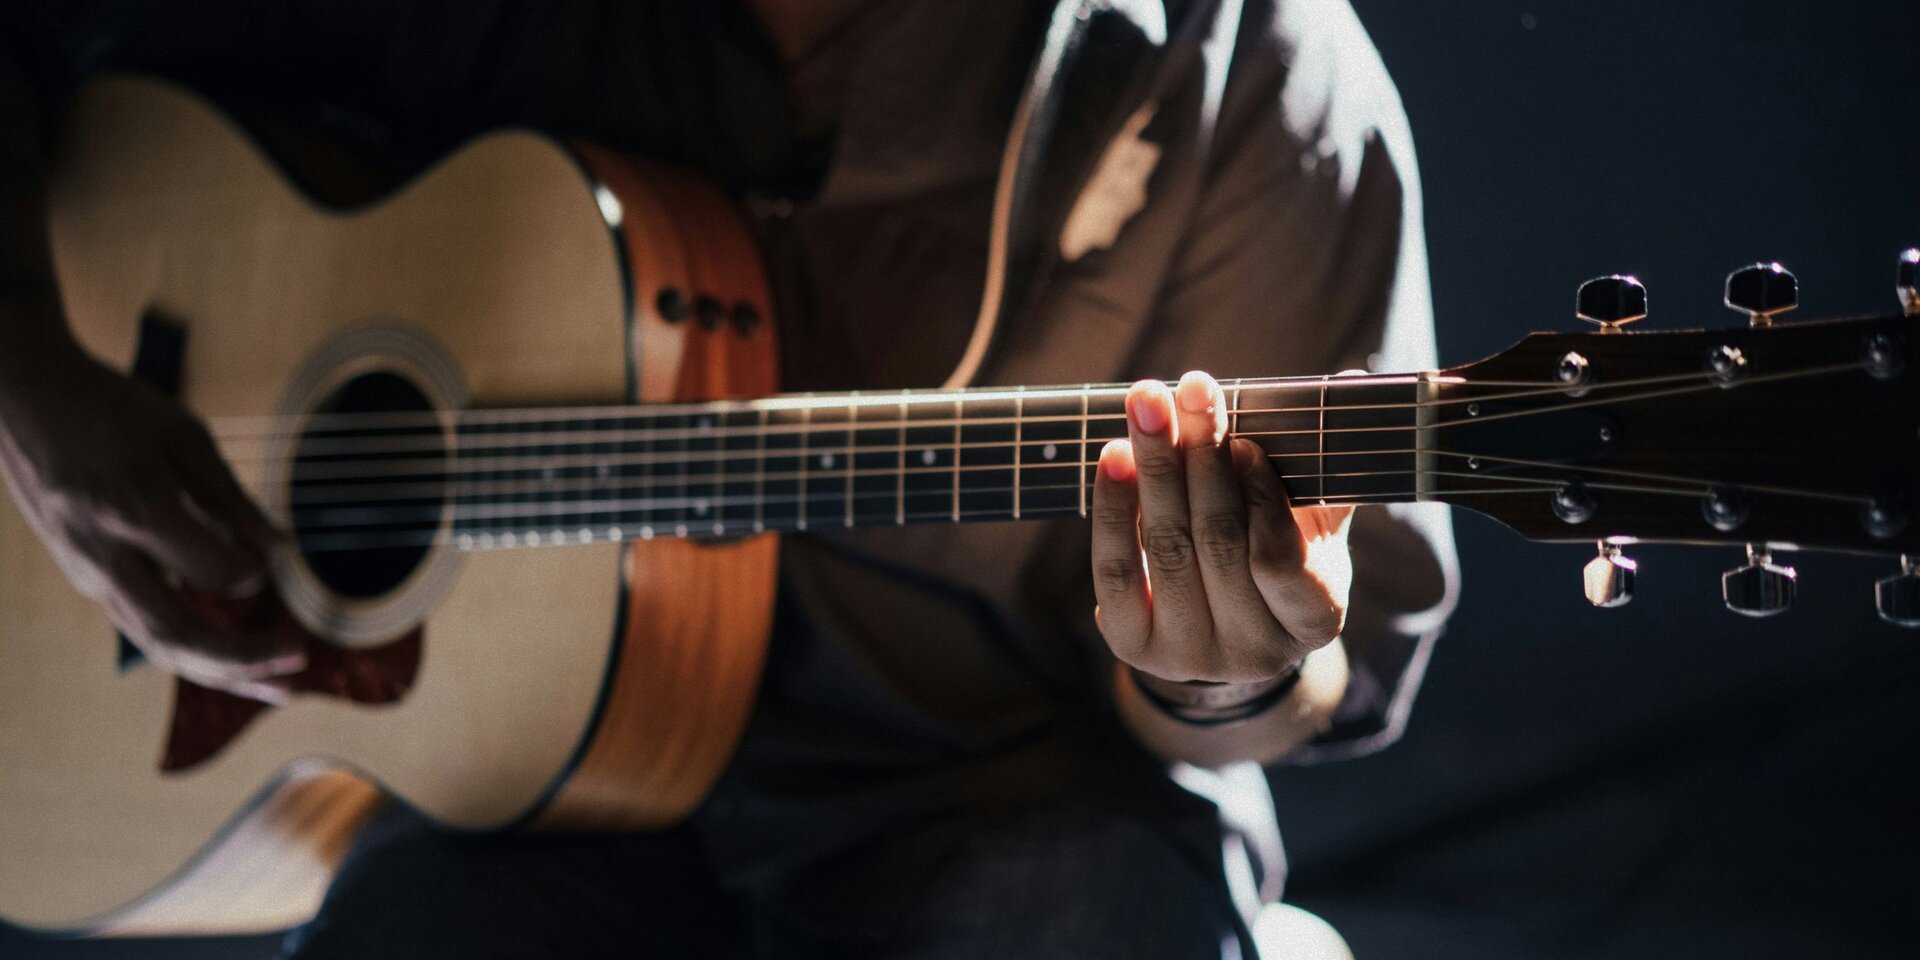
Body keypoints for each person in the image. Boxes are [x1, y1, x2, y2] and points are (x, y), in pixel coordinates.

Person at [0, 0, 1458, 956]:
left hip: (1000, 796)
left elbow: (1307, 683)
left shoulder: (1253, 70)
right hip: (533, 805)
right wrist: (35, 388)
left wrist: (1226, 667)